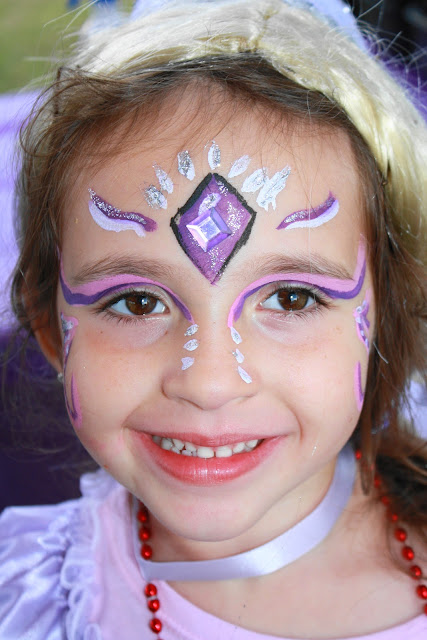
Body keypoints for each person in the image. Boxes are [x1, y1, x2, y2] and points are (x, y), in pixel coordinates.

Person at [1, 0, 426, 638]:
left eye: (291, 298)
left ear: (383, 315)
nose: (209, 384)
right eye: (137, 302)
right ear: (49, 330)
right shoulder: (28, 599)